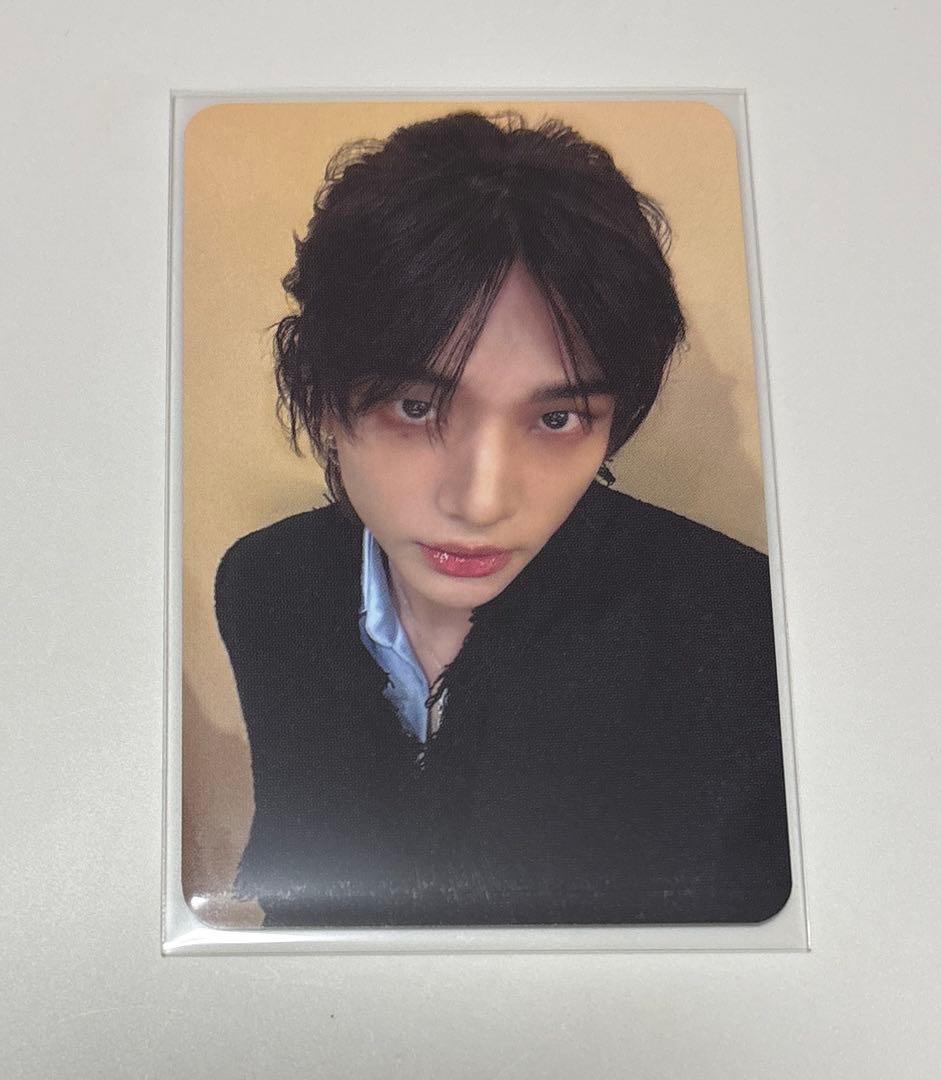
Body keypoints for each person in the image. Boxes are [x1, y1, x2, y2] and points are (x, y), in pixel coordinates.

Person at [214, 110, 791, 927]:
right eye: (416, 407)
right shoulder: (268, 584)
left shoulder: (740, 629)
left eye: (557, 419)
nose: (482, 502)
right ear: (326, 398)